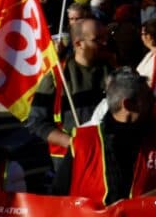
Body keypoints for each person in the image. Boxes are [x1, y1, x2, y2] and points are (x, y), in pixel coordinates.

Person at [51, 68, 156, 205]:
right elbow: (57, 195)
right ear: (128, 104)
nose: (154, 101)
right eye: (148, 97)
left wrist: (151, 198)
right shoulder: (83, 142)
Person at [26, 17, 115, 175]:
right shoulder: (57, 76)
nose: (105, 43)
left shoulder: (113, 69)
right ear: (78, 44)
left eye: (105, 37)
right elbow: (36, 122)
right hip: (70, 162)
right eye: (97, 39)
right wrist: (72, 142)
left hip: (108, 158)